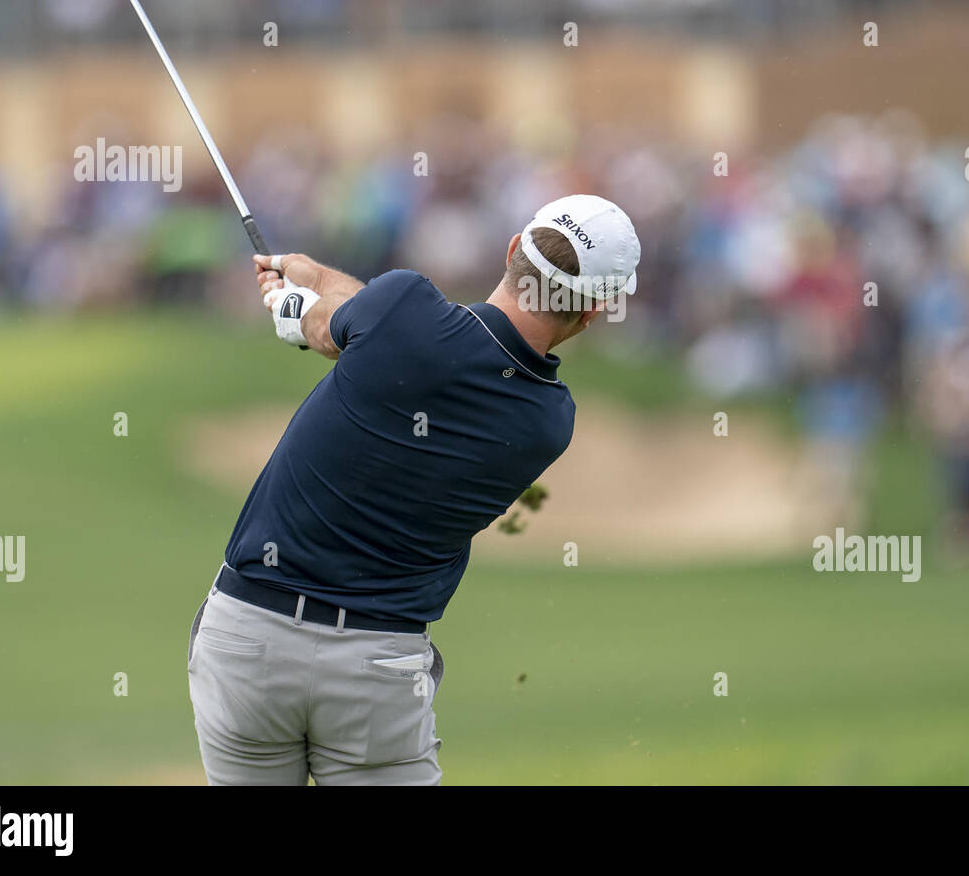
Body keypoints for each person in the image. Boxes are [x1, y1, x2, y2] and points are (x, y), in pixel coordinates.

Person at [187, 194, 640, 785]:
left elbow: (333, 328)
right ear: (594, 311)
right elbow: (383, 329)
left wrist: (297, 304)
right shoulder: (547, 422)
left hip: (246, 637)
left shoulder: (402, 303)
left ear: (512, 251)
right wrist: (317, 281)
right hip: (376, 667)